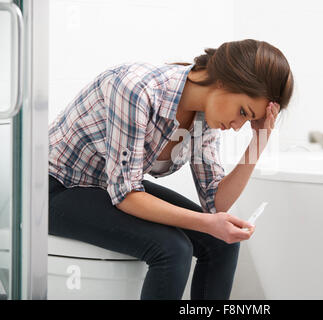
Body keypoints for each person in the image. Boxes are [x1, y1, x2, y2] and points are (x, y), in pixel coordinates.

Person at [48, 39, 294, 300]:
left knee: (221, 244)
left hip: (104, 187)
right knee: (172, 249)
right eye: (243, 111)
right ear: (225, 80)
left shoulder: (205, 119)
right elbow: (126, 194)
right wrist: (208, 223)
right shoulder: (137, 88)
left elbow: (215, 203)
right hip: (53, 188)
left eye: (247, 120)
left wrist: (258, 142)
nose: (236, 125)